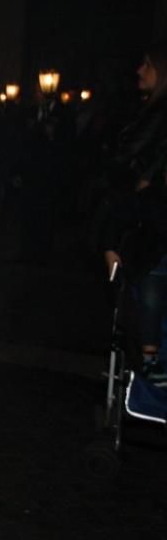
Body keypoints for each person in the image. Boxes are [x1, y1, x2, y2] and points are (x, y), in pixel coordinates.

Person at [98, 40, 167, 377]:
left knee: (149, 289)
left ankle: (150, 363)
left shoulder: (157, 115)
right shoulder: (146, 110)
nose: (140, 71)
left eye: (147, 65)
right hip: (140, 217)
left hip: (149, 222)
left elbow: (126, 160)